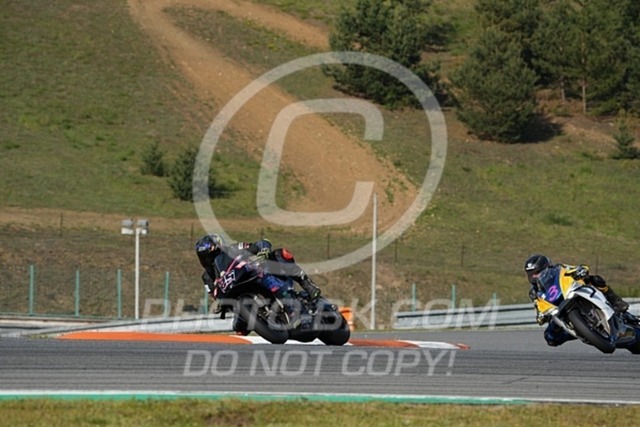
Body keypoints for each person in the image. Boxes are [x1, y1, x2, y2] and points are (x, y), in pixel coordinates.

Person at [195, 234, 321, 330]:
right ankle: (262, 320)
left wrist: (263, 250)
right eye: (204, 257)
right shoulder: (207, 277)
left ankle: (307, 284)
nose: (209, 260)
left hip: (252, 276)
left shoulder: (233, 249)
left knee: (281, 254)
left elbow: (261, 243)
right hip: (237, 298)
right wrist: (219, 302)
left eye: (212, 255)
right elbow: (215, 295)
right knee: (239, 329)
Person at [524, 253, 630, 346]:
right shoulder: (534, 292)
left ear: (547, 268)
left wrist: (581, 271)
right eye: (531, 275)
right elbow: (538, 307)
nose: (535, 277)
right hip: (557, 310)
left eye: (537, 273)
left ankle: (616, 301)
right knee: (550, 337)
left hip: (570, 293)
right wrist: (541, 316)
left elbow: (576, 268)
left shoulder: (559, 269)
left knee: (595, 279)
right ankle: (580, 332)